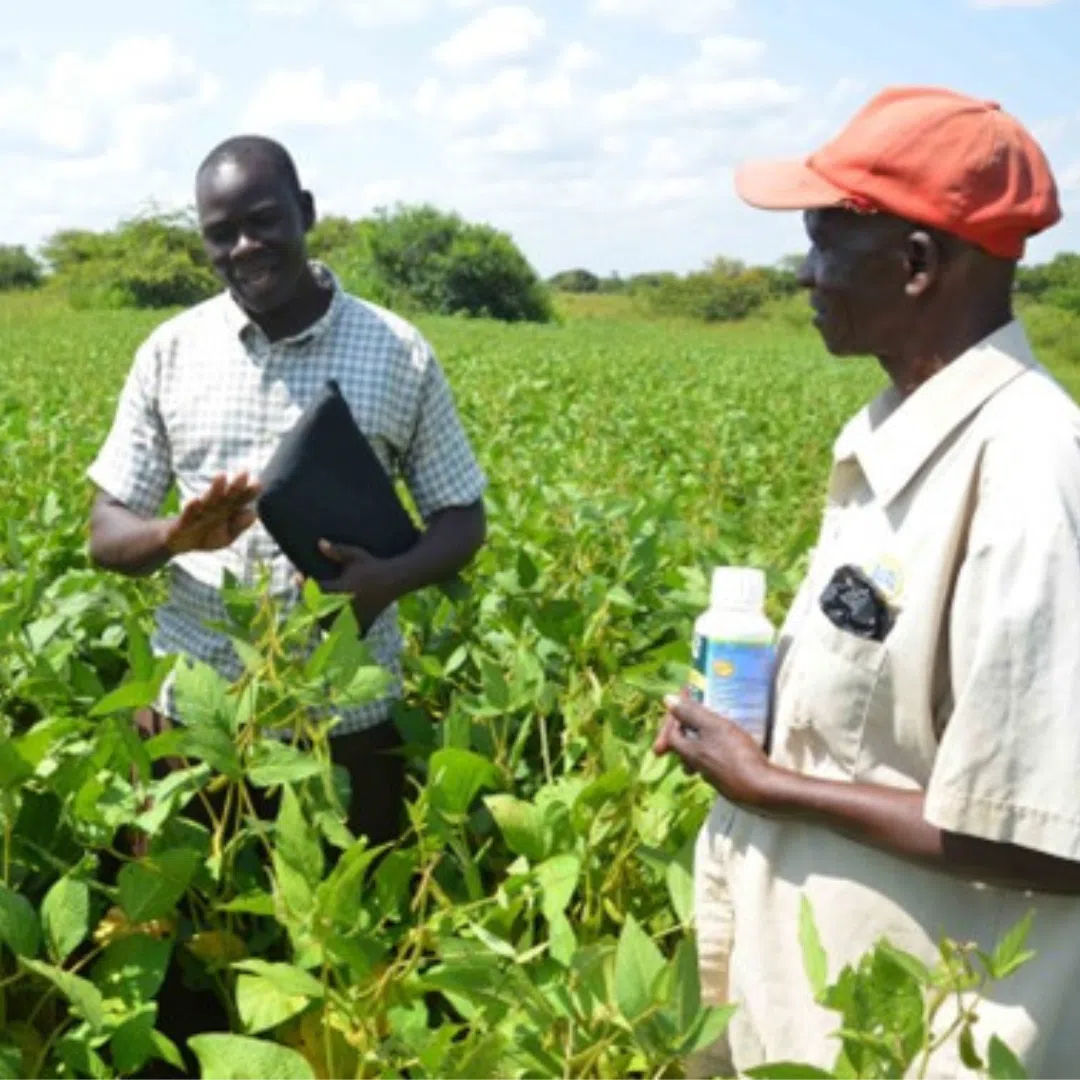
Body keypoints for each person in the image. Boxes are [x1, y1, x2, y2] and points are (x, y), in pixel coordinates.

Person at [655, 86, 1080, 1075]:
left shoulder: (1031, 471)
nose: (805, 275)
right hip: (811, 1007)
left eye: (824, 244)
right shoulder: (901, 429)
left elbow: (1056, 834)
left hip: (922, 1033)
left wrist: (770, 784)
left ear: (919, 263)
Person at [87, 135, 488, 849]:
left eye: (264, 220)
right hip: (195, 715)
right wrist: (171, 537)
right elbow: (105, 531)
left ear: (305, 212)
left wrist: (386, 582)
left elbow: (462, 519)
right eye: (220, 234)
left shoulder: (398, 350)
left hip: (346, 715)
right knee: (175, 929)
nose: (244, 246)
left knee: (345, 929)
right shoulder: (170, 352)